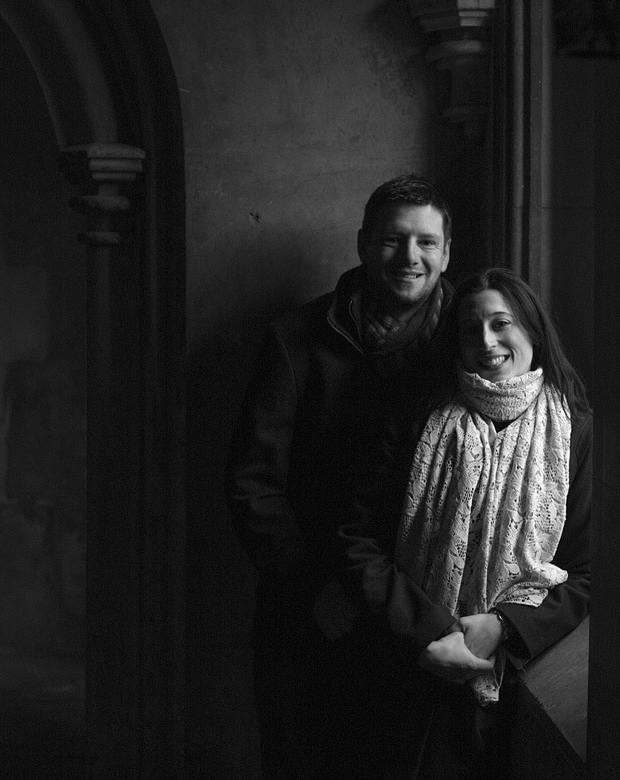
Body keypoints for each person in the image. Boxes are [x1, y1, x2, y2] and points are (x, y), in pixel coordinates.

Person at [228, 174, 462, 776]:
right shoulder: (296, 341)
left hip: (424, 616)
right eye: (393, 240)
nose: (410, 257)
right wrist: (315, 592)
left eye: (426, 242)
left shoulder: (472, 340)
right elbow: (255, 486)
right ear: (362, 245)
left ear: (445, 253)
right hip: (312, 615)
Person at [382, 267, 593, 777]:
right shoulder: (419, 418)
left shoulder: (576, 432)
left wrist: (500, 629)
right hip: (411, 662)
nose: (486, 340)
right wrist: (437, 631)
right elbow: (361, 538)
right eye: (470, 329)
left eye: (502, 323)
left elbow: (587, 570)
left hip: (520, 675)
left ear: (532, 333)